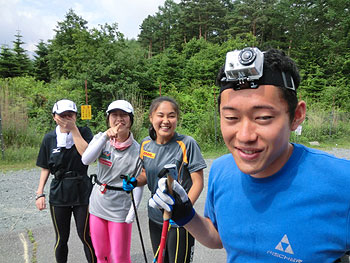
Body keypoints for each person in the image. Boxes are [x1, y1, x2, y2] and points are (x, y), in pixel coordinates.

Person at [148, 48, 350, 262]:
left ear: (296, 116)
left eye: (263, 117)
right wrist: (185, 214)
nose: (244, 136)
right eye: (231, 117)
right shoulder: (221, 170)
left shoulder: (341, 182)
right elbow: (218, 238)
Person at [123, 96, 207, 263]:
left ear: (177, 118)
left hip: (180, 221)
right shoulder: (145, 144)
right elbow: (146, 174)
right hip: (155, 216)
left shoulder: (187, 144)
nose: (166, 121)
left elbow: (198, 183)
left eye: (171, 115)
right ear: (151, 118)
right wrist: (134, 181)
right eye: (160, 115)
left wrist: (183, 210)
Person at [81, 100, 144, 263]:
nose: (119, 119)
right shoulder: (101, 140)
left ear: (130, 119)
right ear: (108, 118)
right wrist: (104, 137)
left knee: (119, 257)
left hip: (120, 207)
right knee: (101, 254)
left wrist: (133, 209)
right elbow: (86, 160)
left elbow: (138, 182)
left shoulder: (138, 150)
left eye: (124, 115)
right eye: (114, 115)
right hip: (98, 203)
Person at [35, 99, 96, 263]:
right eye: (63, 115)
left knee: (86, 235)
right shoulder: (49, 138)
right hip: (59, 190)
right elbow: (45, 167)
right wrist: (39, 193)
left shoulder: (85, 132)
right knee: (61, 238)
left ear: (76, 116)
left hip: (82, 189)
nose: (67, 119)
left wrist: (74, 130)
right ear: (55, 117)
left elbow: (87, 156)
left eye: (70, 115)